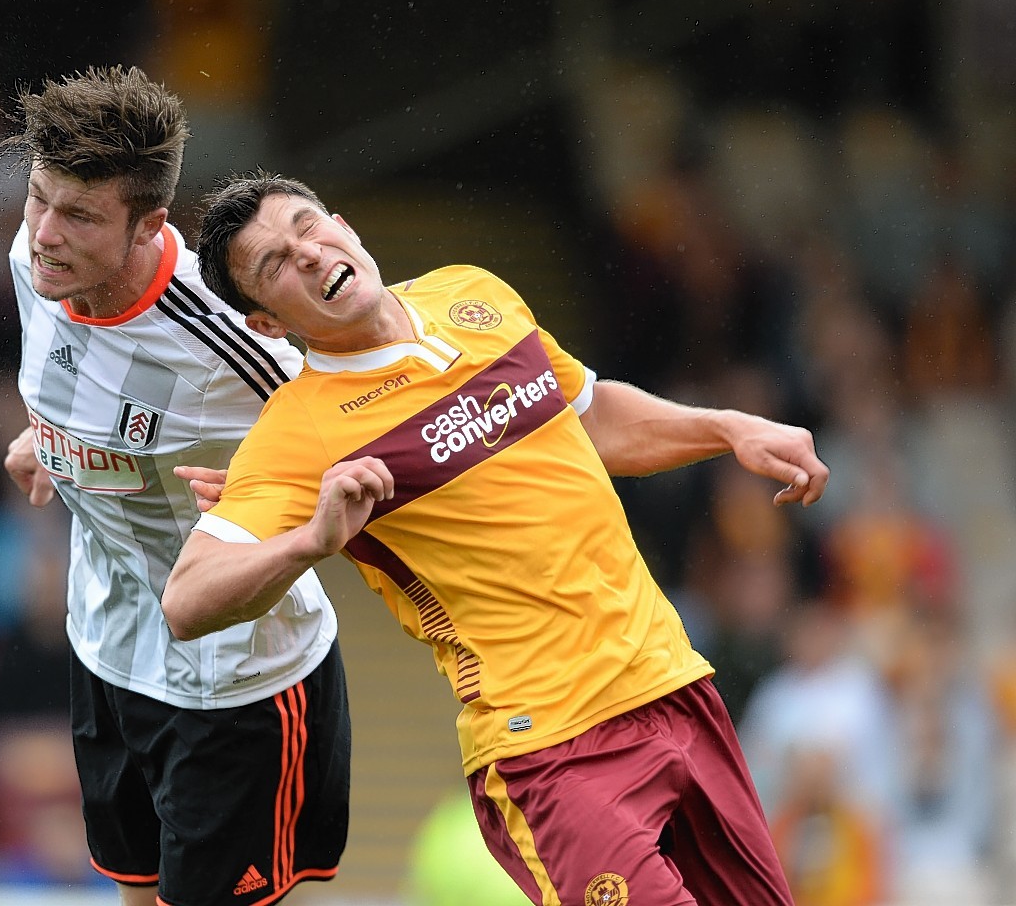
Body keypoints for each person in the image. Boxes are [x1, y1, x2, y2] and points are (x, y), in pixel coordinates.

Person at [163, 171, 832, 906]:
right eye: (276, 264)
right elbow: (188, 599)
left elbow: (591, 414)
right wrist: (308, 544)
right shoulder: (301, 432)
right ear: (267, 324)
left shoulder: (470, 295)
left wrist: (727, 427)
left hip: (675, 685)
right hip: (551, 746)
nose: (309, 254)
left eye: (307, 227)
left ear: (344, 225)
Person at [0, 68, 349, 906]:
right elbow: (85, 389)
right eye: (38, 198)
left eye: (80, 215)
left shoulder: (231, 347)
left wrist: (295, 481)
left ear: (150, 223)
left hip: (237, 681)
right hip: (109, 647)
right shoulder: (34, 261)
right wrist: (52, 442)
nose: (46, 233)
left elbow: (371, 430)